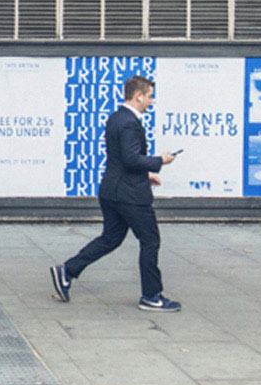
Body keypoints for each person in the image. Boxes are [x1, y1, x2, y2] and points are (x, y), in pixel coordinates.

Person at [50, 75, 181, 311]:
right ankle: (152, 296)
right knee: (150, 240)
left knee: (111, 238)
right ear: (138, 96)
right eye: (150, 97)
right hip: (130, 196)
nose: (151, 101)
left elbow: (122, 158)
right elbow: (131, 158)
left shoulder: (116, 118)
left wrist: (146, 174)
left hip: (112, 191)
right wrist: (159, 161)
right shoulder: (130, 122)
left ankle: (67, 270)